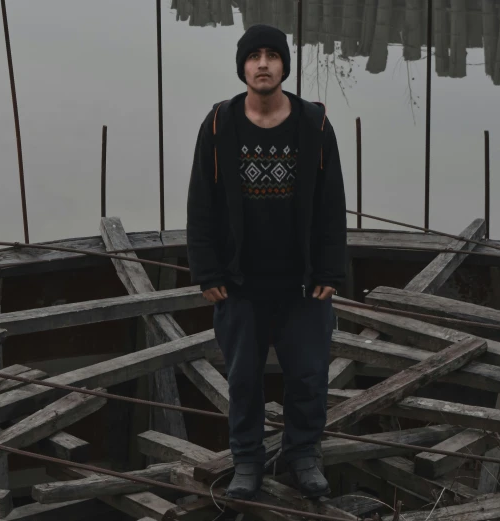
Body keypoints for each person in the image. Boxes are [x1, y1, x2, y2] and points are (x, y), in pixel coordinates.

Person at [186, 23, 346, 500]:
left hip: (302, 284)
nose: (262, 64)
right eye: (253, 56)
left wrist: (331, 269)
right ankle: (247, 462)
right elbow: (201, 204)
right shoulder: (219, 124)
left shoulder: (314, 124)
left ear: (283, 66)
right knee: (243, 380)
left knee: (309, 376)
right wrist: (207, 272)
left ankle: (302, 456)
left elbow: (332, 203)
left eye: (271, 56)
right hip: (239, 284)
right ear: (242, 67)